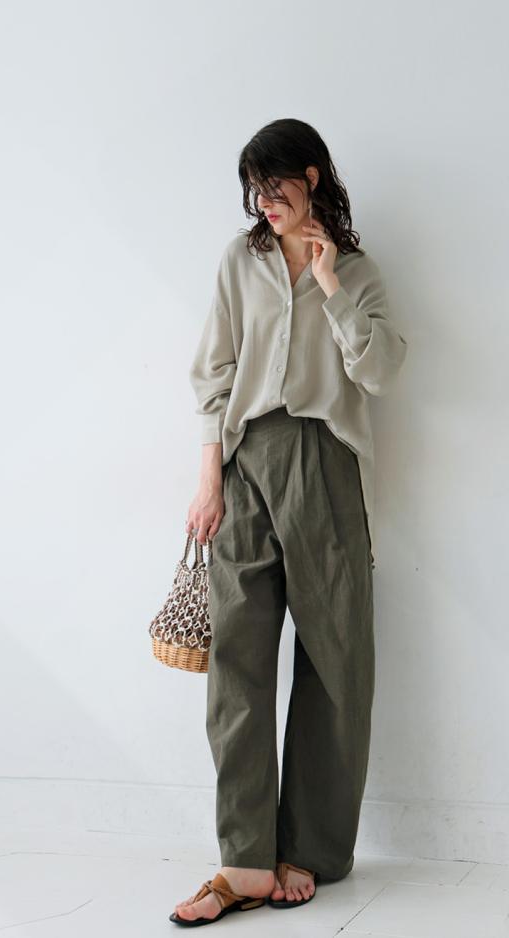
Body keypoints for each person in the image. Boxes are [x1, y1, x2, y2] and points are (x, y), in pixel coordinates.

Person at [169, 118, 408, 927]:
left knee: (336, 661)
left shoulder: (358, 272)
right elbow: (214, 373)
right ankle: (243, 861)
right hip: (246, 464)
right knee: (235, 658)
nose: (263, 203)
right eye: (254, 191)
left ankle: (309, 849)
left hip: (324, 462)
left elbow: (381, 370)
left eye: (275, 187)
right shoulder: (240, 262)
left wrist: (331, 285)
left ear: (310, 177)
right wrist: (209, 480)